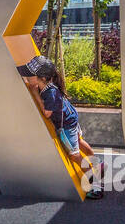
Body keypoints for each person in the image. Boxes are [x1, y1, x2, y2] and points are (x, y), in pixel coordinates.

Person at [18, 55, 104, 199]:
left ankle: (95, 184)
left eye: (32, 76)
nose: (28, 78)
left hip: (66, 125)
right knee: (79, 139)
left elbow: (47, 113)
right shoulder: (50, 86)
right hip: (71, 117)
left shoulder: (50, 93)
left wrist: (34, 92)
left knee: (74, 155)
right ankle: (97, 163)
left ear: (43, 79)